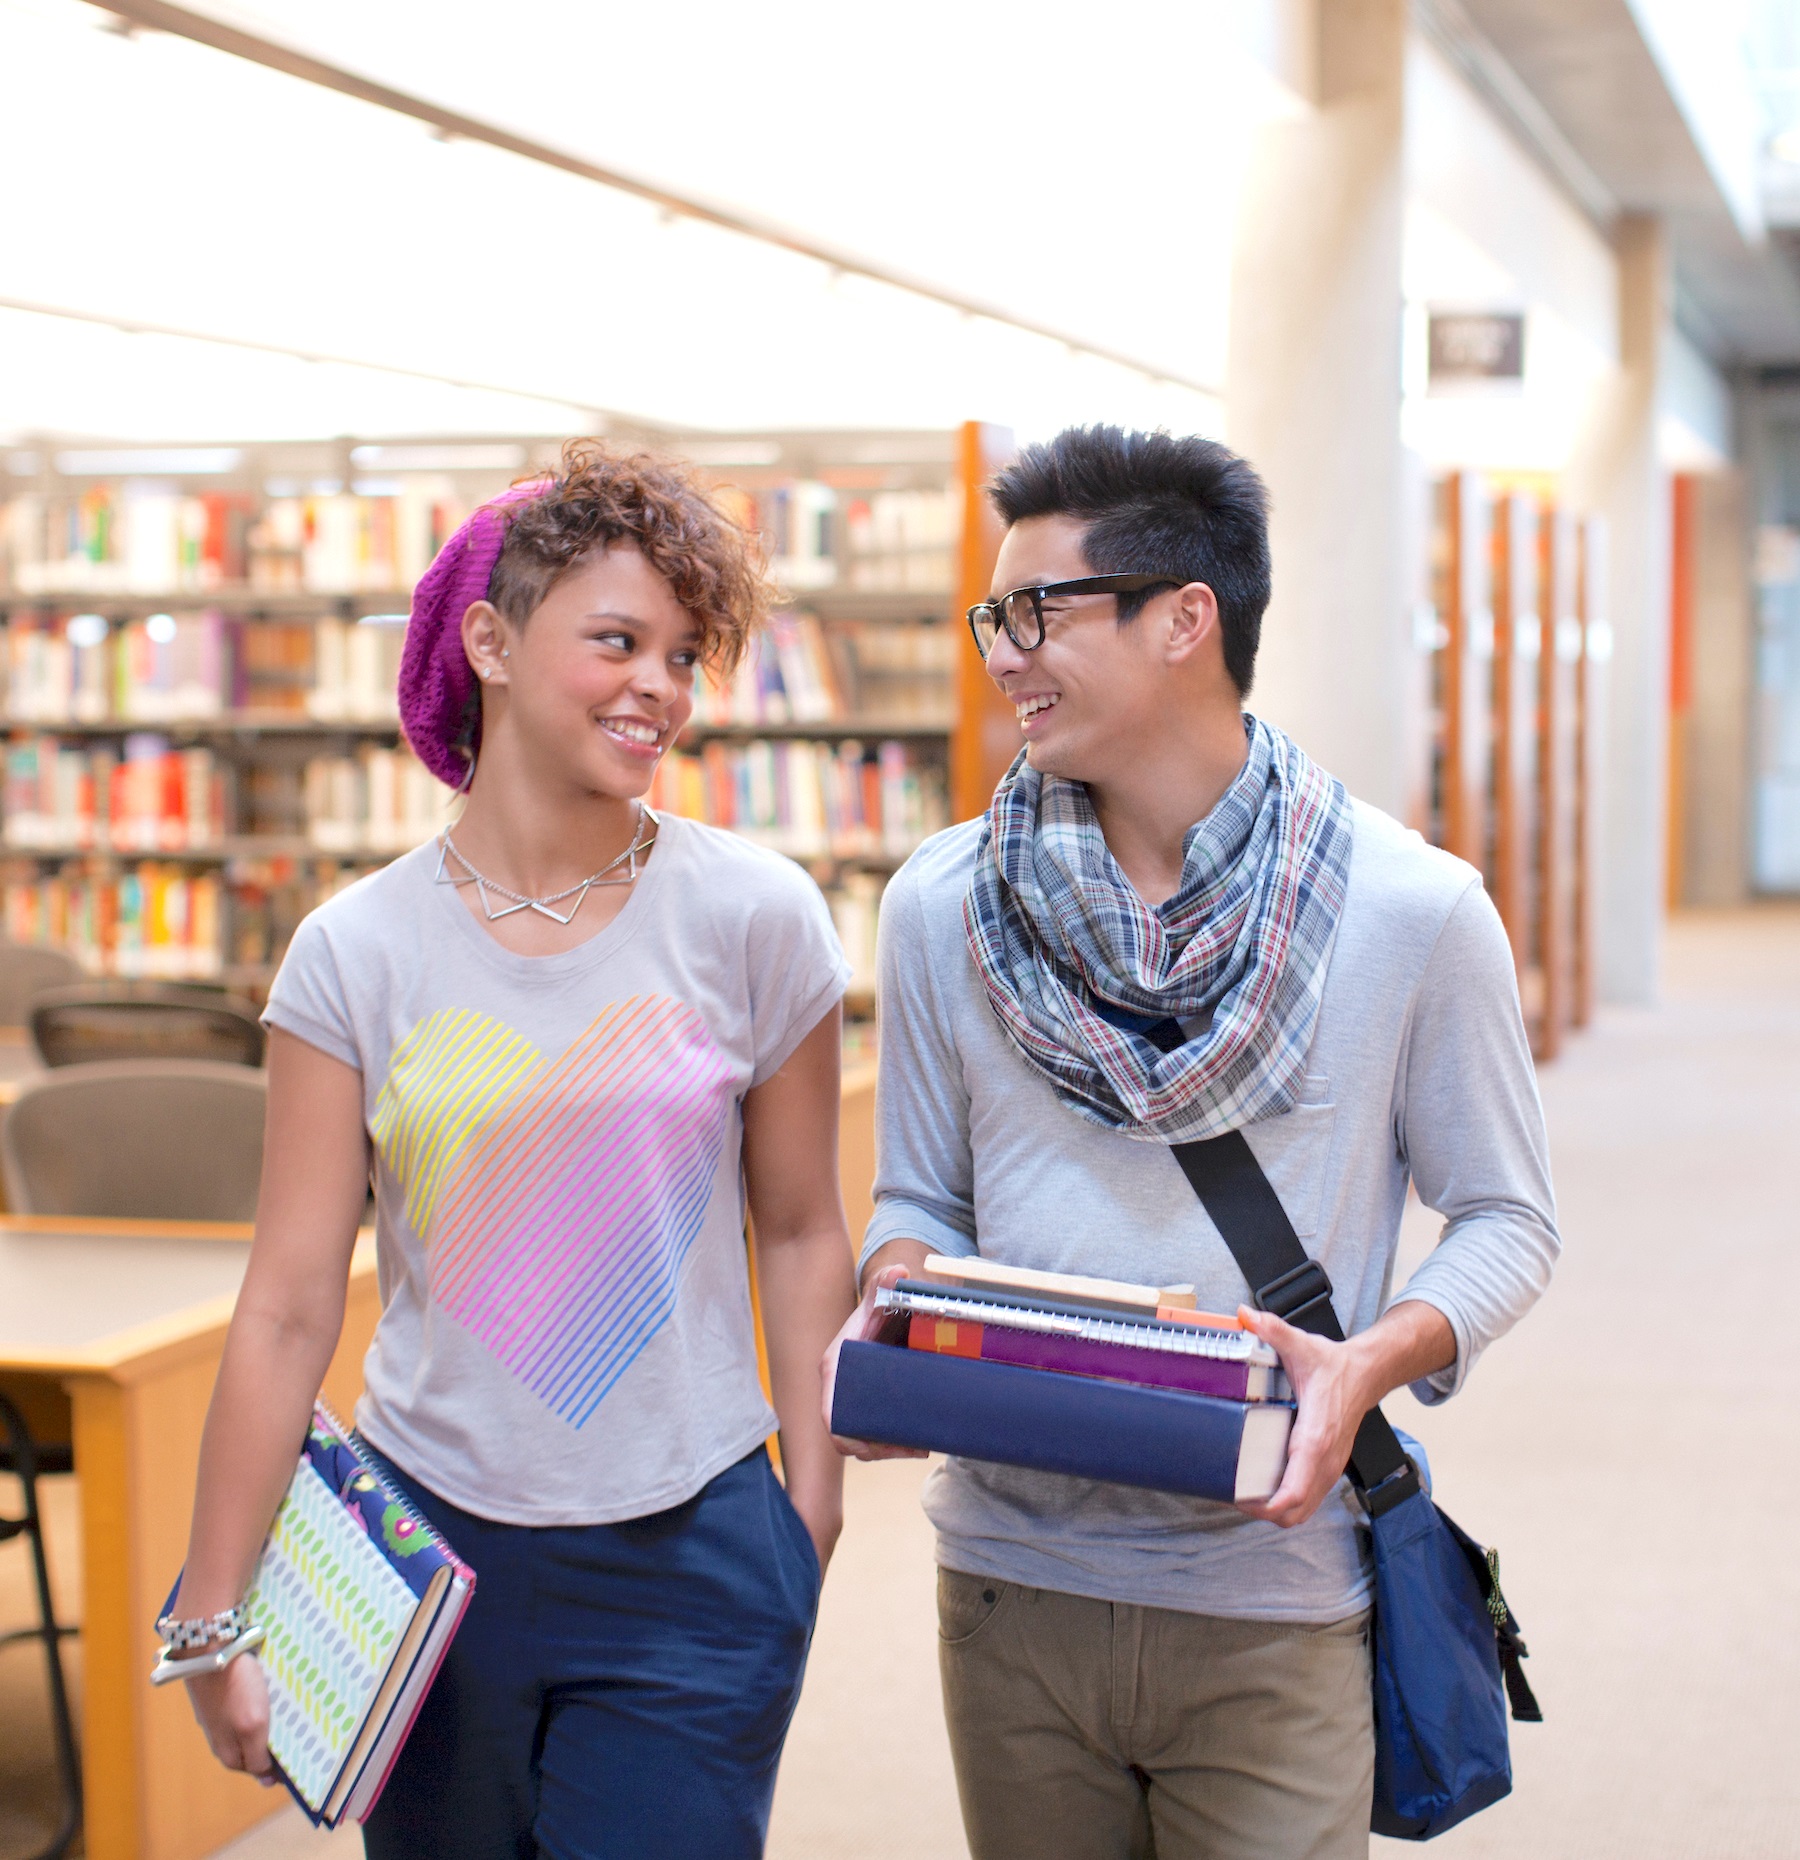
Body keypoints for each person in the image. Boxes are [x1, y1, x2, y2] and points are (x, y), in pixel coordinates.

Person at [832, 426, 1560, 1859]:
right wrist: (900, 1304)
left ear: (1185, 620)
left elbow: (1509, 1218)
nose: (1003, 653)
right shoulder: (936, 905)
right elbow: (919, 1185)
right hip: (1008, 1581)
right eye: (994, 617)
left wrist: (1374, 1359)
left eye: (1038, 612)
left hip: (1270, 1588)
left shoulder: (1412, 912)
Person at [165, 444, 858, 1859]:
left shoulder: (756, 918)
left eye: (682, 655)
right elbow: (292, 1297)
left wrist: (813, 1505)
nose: (658, 687)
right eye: (618, 641)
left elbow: (796, 1227)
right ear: (490, 640)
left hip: (698, 1549)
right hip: (429, 1558)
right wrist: (210, 1604)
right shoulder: (355, 952)